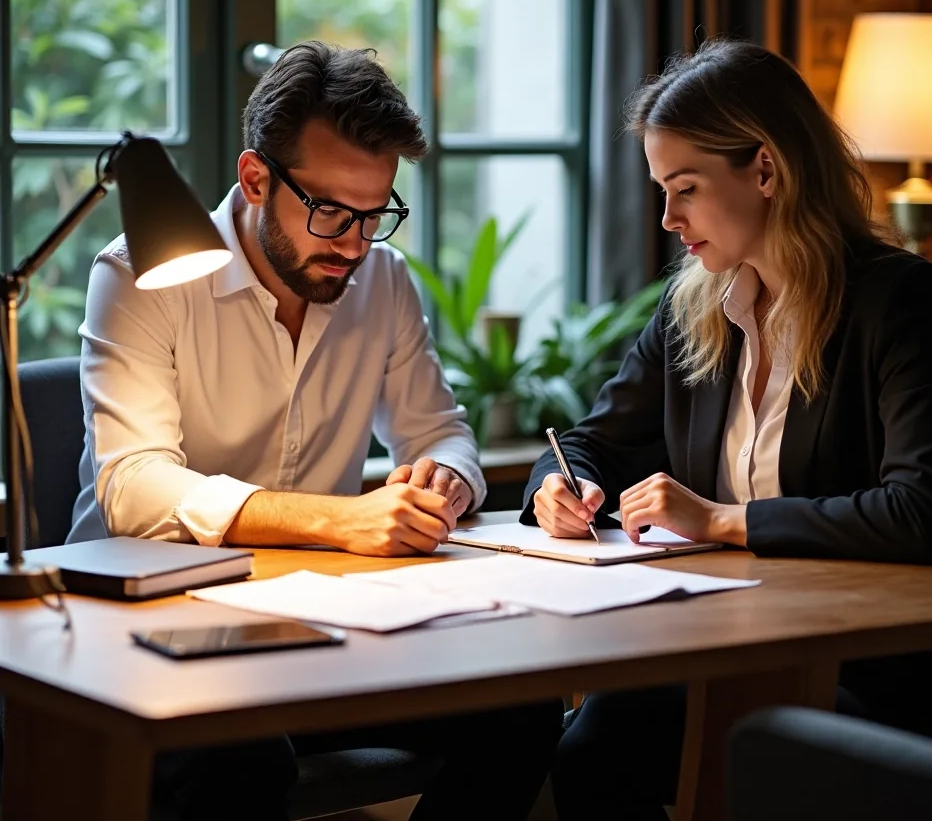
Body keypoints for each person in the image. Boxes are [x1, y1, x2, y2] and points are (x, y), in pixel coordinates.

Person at [70, 40, 563, 820]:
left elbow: (440, 430)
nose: (356, 244)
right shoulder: (139, 273)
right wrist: (340, 518)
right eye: (330, 210)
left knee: (522, 709)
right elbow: (133, 488)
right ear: (256, 179)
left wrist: (443, 476)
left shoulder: (383, 281)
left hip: (321, 628)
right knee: (236, 751)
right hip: (151, 631)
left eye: (376, 214)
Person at [521, 37, 932, 821]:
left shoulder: (897, 298)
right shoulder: (692, 308)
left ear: (765, 170)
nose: (669, 219)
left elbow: (921, 509)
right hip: (729, 637)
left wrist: (721, 521)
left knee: (670, 742)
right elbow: (594, 438)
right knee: (593, 748)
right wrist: (558, 488)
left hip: (868, 659)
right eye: (662, 191)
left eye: (686, 189)